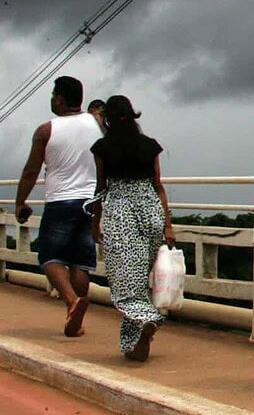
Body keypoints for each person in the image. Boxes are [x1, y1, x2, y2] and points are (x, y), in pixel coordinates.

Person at [88, 95, 176, 362]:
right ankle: (132, 343)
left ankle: (148, 318)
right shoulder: (149, 146)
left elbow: (101, 188)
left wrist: (95, 223)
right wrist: (168, 226)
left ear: (108, 119)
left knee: (125, 284)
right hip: (151, 210)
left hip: (121, 211)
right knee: (138, 280)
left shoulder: (102, 147)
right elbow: (158, 185)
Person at [15, 76, 104, 337]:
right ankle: (75, 317)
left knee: (49, 256)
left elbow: (31, 170)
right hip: (91, 201)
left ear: (60, 99)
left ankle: (71, 301)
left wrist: (21, 201)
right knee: (80, 263)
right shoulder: (97, 123)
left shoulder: (46, 130)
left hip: (60, 200)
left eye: (54, 94)